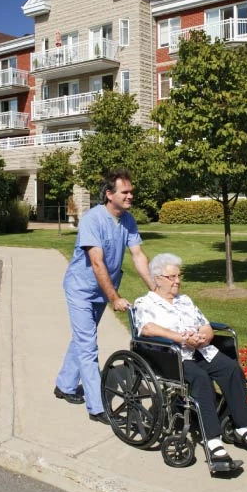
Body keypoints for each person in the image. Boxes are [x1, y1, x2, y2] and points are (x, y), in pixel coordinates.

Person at [133, 253, 247, 467]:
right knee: (201, 379)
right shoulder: (145, 303)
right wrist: (179, 337)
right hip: (172, 358)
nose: (178, 280)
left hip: (200, 351)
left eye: (179, 276)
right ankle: (212, 441)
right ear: (157, 278)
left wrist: (204, 336)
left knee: (230, 368)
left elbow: (205, 325)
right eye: (172, 277)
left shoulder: (184, 301)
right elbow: (148, 328)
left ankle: (243, 427)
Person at [54, 168, 155, 424]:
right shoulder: (92, 219)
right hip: (81, 288)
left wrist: (156, 289)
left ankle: (64, 385)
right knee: (88, 345)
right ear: (109, 194)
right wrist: (114, 297)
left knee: (82, 338)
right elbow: (97, 263)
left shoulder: (127, 220)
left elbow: (138, 256)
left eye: (131, 191)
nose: (131, 196)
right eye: (125, 192)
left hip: (102, 289)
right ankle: (97, 407)